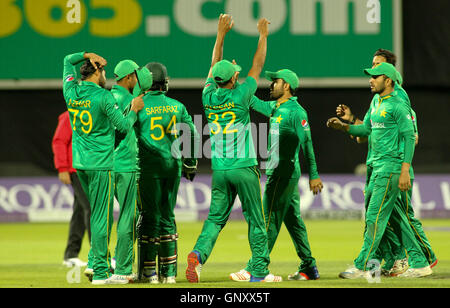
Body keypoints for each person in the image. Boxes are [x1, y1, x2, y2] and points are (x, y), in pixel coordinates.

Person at [185, 14, 282, 283]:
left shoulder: (207, 95)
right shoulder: (242, 94)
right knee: (255, 219)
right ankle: (260, 271)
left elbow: (214, 64)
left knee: (215, 219)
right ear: (231, 81)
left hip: (220, 169)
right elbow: (258, 64)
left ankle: (198, 254)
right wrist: (262, 35)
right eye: (235, 74)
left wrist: (220, 34)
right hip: (243, 167)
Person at [335, 49, 437, 276]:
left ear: (389, 77)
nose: (370, 79)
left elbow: (411, 136)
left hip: (391, 167)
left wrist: (404, 169)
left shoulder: (399, 102)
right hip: (377, 166)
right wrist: (346, 126)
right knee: (395, 217)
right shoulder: (377, 101)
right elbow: (366, 130)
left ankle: (365, 265)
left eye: (376, 73)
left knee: (376, 217)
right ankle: (418, 262)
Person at [229, 69, 323, 282]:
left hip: (283, 174)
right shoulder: (276, 108)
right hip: (279, 172)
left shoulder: (296, 112)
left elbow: (307, 144)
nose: (271, 85)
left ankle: (255, 267)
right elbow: (251, 101)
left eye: (275, 81)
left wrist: (315, 175)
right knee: (293, 221)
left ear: (287, 86)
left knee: (267, 220)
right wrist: (234, 83)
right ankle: (309, 266)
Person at [62, 51, 145, 284]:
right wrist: (134, 111)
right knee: (101, 218)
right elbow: (123, 127)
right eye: (103, 72)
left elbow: (68, 60)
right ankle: (100, 271)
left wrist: (86, 54)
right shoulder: (104, 97)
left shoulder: (71, 90)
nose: (105, 76)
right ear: (96, 72)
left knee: (98, 215)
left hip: (80, 165)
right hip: (101, 165)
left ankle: (97, 264)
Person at [134, 62, 199, 284]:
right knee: (167, 217)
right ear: (164, 83)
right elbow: (192, 135)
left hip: (147, 168)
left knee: (149, 218)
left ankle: (148, 273)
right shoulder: (177, 106)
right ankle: (169, 275)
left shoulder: (137, 106)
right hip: (172, 167)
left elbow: (125, 132)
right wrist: (190, 165)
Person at [103, 60, 143, 284]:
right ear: (128, 78)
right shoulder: (130, 100)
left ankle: (101, 264)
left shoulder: (109, 97)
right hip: (127, 165)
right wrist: (135, 110)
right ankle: (124, 268)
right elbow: (128, 126)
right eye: (135, 76)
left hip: (109, 164)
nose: (137, 80)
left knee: (105, 217)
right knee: (129, 217)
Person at [52, 110, 91, 268]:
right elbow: (59, 141)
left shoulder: (93, 111)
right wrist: (62, 168)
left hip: (91, 168)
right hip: (76, 169)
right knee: (91, 208)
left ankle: (71, 254)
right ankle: (98, 254)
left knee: (80, 210)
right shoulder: (71, 115)